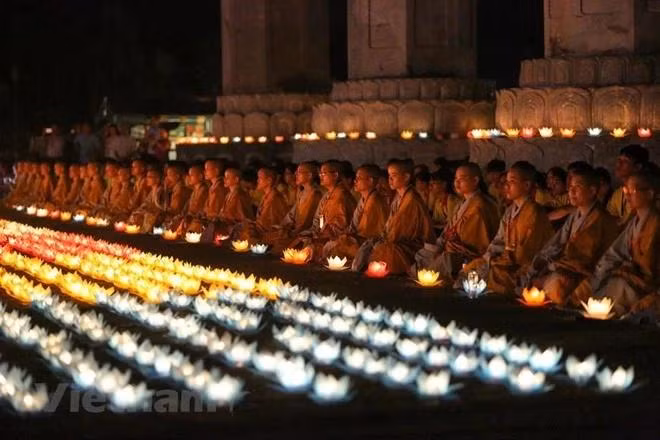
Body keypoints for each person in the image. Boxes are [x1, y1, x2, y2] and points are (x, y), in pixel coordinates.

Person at [520, 167, 620, 305]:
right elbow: (556, 244)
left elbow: (591, 259)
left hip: (586, 273)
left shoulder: (603, 220)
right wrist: (542, 262)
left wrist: (554, 267)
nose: (571, 192)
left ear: (592, 191)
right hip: (565, 267)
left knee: (556, 284)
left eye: (577, 187)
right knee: (530, 271)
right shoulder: (574, 217)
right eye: (570, 187)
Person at [461, 161, 554, 294]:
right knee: (471, 268)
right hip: (506, 261)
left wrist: (502, 261)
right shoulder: (510, 211)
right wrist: (489, 257)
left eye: (512, 181)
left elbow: (528, 252)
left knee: (493, 274)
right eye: (506, 182)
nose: (506, 185)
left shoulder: (534, 212)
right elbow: (499, 239)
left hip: (523, 266)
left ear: (526, 185)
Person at [588, 171, 660, 316]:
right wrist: (600, 271)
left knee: (619, 287)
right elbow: (615, 252)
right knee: (608, 283)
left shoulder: (656, 222)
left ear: (650, 194)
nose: (626, 196)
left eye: (632, 191)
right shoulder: (634, 221)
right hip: (633, 278)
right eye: (625, 190)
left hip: (649, 285)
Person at [412, 162, 500, 282]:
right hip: (452, 246)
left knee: (446, 259)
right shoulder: (464, 202)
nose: (457, 183)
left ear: (475, 180)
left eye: (462, 179)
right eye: (456, 179)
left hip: (467, 254)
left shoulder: (479, 206)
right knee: (424, 253)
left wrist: (451, 242)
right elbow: (451, 227)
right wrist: (443, 242)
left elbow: (476, 242)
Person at [353, 159, 433, 274]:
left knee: (387, 251)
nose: (390, 179)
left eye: (394, 175)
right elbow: (390, 225)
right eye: (389, 175)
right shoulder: (399, 197)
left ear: (406, 177)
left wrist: (385, 239)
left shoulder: (411, 200)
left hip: (411, 245)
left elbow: (403, 230)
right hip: (394, 239)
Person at [289, 160, 356, 262]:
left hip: (337, 239)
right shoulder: (327, 195)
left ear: (335, 175)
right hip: (322, 235)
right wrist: (314, 232)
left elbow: (340, 227)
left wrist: (320, 234)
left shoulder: (341, 196)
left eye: (323, 173)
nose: (320, 176)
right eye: (320, 173)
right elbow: (319, 219)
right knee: (300, 241)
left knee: (311, 248)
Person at [322, 164, 389, 262]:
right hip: (359, 238)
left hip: (370, 242)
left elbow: (367, 232)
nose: (355, 181)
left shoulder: (374, 201)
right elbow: (353, 226)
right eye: (355, 177)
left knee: (337, 248)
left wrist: (346, 237)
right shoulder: (364, 199)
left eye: (359, 178)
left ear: (370, 181)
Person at [233, 167, 289, 243]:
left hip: (272, 233)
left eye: (260, 178)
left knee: (244, 233)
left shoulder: (274, 198)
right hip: (262, 229)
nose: (257, 181)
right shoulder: (266, 196)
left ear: (269, 181)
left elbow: (267, 223)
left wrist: (251, 225)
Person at [607, 144, 649, 225]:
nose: (618, 164)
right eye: (619, 160)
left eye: (625, 161)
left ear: (638, 167)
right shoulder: (618, 194)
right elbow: (609, 219)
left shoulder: (643, 192)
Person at [213, 167, 255, 236]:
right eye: (224, 177)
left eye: (227, 177)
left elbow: (244, 216)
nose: (224, 180)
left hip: (238, 229)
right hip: (228, 226)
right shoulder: (229, 194)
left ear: (236, 179)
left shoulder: (240, 195)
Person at [170, 164, 208, 233]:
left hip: (198, 219)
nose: (188, 177)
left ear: (200, 176)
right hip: (190, 217)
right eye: (188, 175)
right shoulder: (195, 190)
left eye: (191, 175)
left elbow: (197, 208)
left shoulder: (203, 190)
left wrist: (188, 215)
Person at [128, 166, 166, 233]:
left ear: (157, 179)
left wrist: (149, 210)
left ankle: (152, 232)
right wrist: (141, 209)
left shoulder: (161, 191)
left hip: (159, 215)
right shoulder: (152, 190)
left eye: (150, 177)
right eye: (147, 176)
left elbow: (162, 208)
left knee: (148, 216)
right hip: (150, 212)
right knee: (136, 213)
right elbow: (146, 203)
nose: (147, 179)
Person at [162, 162, 191, 229]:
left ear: (177, 176)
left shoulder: (180, 189)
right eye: (166, 175)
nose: (167, 178)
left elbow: (175, 210)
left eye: (169, 175)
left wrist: (166, 190)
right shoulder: (175, 188)